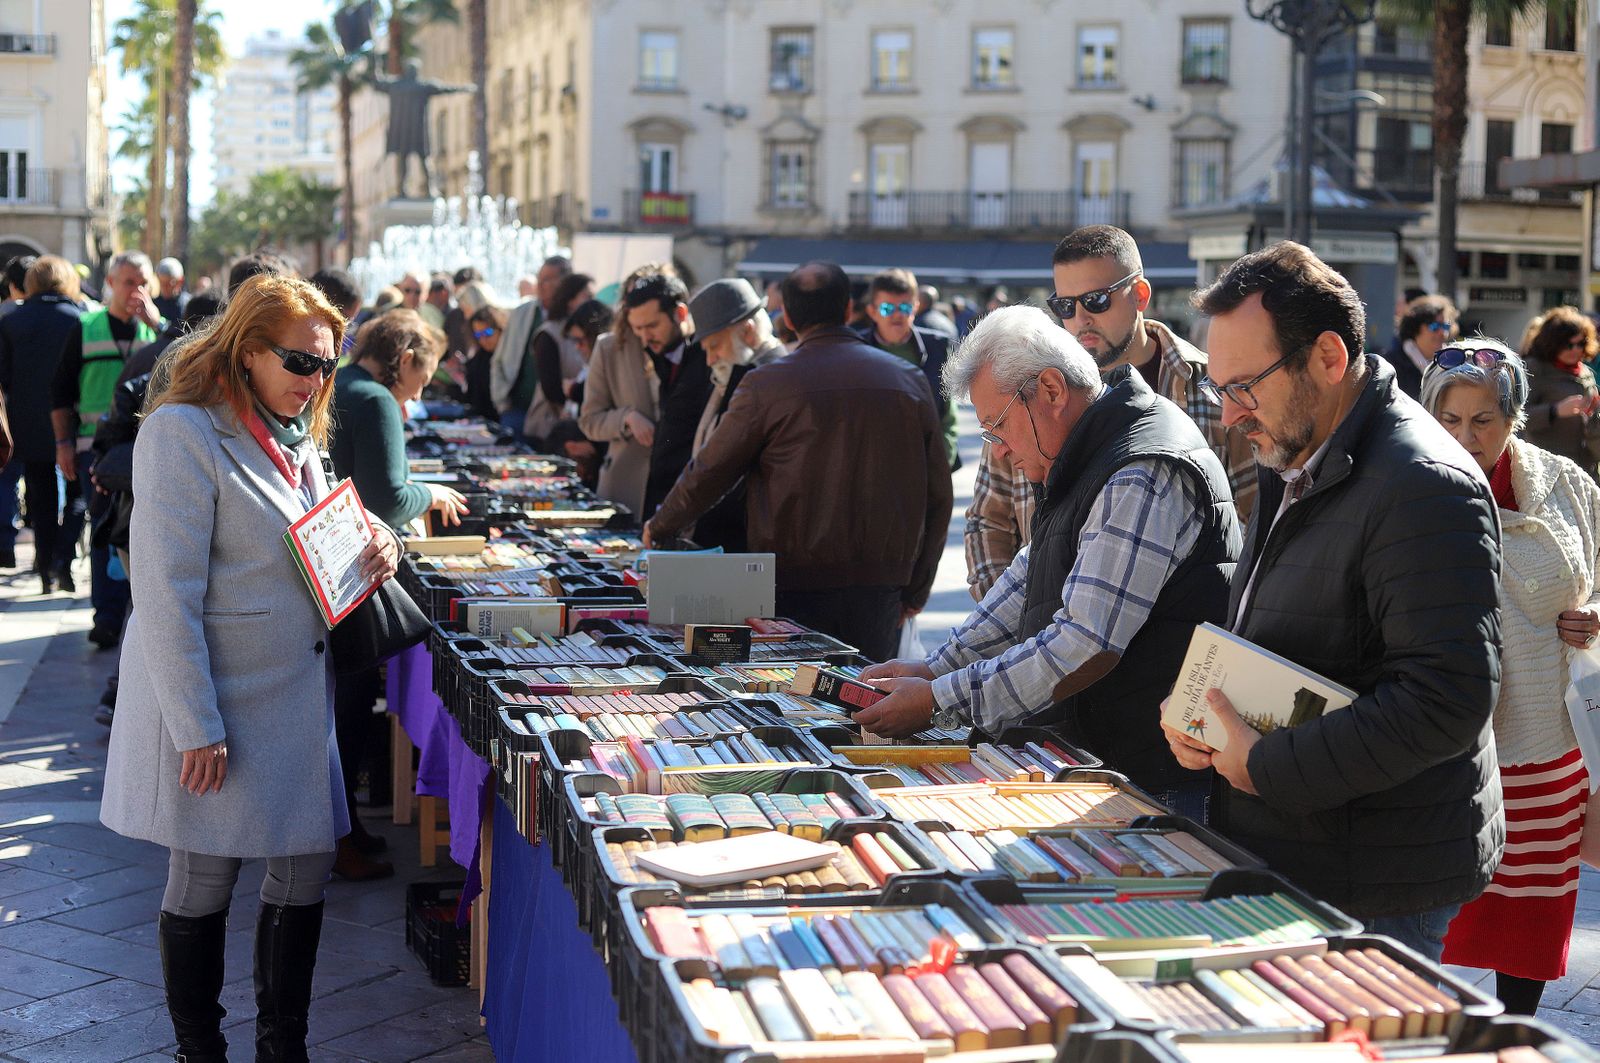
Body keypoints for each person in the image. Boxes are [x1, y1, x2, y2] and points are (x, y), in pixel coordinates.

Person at [1160, 242, 1503, 963]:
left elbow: (1446, 697)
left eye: (1245, 387)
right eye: (1220, 388)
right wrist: (1199, 708)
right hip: (1304, 848)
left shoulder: (1425, 481)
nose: (1229, 415)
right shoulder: (1294, 441)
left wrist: (1271, 765)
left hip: (1377, 878)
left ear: (1326, 357)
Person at [100, 273, 402, 1062]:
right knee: (204, 873)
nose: (316, 380)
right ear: (245, 347)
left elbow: (329, 534)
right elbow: (165, 594)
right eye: (301, 362)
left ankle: (283, 1046)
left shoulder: (297, 434)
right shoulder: (183, 433)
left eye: (327, 366)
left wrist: (383, 546)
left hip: (296, 691)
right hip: (219, 691)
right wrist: (195, 724)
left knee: (306, 867)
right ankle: (199, 1049)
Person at [852, 306, 1241, 812]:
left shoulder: (1138, 470)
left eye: (997, 427)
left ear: (1053, 390)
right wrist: (932, 670)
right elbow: (1026, 581)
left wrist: (939, 698)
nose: (998, 450)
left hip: (1154, 777)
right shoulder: (1092, 451)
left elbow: (1084, 642)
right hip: (1109, 761)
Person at [1415, 340, 1598, 1016]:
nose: (1467, 435)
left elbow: (1599, 568)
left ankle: (1516, 1034)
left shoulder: (1565, 485)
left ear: (1513, 416)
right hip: (1452, 740)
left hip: (1548, 739)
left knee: (1531, 914)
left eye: (1484, 418)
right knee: (1442, 910)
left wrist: (1593, 615)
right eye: (1451, 418)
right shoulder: (1413, 486)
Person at [643, 261, 952, 660]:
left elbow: (710, 471)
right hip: (881, 585)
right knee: (868, 708)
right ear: (848, 311)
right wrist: (916, 587)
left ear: (786, 317)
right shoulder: (908, 380)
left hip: (793, 583)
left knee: (799, 709)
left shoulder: (767, 384)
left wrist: (660, 525)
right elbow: (938, 494)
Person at [965, 225, 1258, 600]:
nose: (1080, 319)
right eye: (1065, 306)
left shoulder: (1212, 386)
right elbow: (988, 519)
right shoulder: (1033, 392)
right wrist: (1010, 623)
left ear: (1139, 294)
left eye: (1096, 300)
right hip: (1049, 634)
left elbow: (1252, 518)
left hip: (1180, 635)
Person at [329, 309, 468, 880]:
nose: (420, 391)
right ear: (406, 358)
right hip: (351, 569)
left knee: (341, 703)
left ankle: (344, 828)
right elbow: (387, 497)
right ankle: (341, 834)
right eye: (423, 376)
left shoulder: (340, 382)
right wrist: (430, 491)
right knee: (351, 704)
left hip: (328, 565)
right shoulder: (376, 399)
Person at [50, 250, 162, 640]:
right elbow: (61, 391)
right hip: (92, 450)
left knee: (138, 533)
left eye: (144, 282)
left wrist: (159, 325)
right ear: (111, 283)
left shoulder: (157, 332)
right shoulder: (87, 326)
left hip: (144, 453)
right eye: (130, 281)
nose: (137, 290)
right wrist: (63, 443)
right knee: (102, 528)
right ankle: (107, 617)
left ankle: (134, 616)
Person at [681, 278, 787, 551]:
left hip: (746, 543)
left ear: (748, 332)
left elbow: (722, 466)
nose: (710, 360)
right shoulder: (736, 370)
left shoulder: (767, 378)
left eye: (715, 346)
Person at [0, 256, 82, 586]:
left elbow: (3, 378)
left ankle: (46, 563)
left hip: (27, 422)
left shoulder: (11, 322)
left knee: (40, 495)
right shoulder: (80, 318)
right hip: (73, 420)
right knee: (76, 493)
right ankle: (62, 558)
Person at [578, 265, 669, 517]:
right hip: (625, 481)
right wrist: (627, 418)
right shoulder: (609, 347)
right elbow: (589, 420)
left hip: (671, 484)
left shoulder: (685, 345)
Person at [855, 268, 960, 471]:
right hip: (869, 468)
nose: (896, 315)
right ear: (872, 311)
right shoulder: (854, 348)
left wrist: (940, 463)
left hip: (925, 467)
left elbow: (948, 415)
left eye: (904, 307)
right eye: (887, 308)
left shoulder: (937, 347)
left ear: (915, 307)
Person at [630, 272, 713, 520]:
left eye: (652, 326)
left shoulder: (707, 359)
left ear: (680, 314)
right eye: (638, 329)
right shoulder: (661, 355)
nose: (645, 337)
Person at [493, 255, 571, 438]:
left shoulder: (572, 317)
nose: (541, 285)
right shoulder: (522, 312)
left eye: (548, 279)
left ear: (564, 283)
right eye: (540, 279)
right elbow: (498, 360)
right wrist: (502, 401)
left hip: (554, 415)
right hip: (516, 410)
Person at [1520, 306, 1600, 479]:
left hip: (1585, 469)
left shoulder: (1585, 372)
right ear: (1553, 343)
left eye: (1581, 343)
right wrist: (1555, 410)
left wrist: (1594, 413)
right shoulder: (1534, 368)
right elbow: (1516, 418)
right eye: (1568, 344)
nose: (1575, 350)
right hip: (1546, 469)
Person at [524, 271, 593, 447]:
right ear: (570, 301)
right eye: (586, 296)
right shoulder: (549, 334)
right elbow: (550, 385)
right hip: (549, 425)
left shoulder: (591, 332)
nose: (592, 301)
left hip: (578, 424)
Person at [1382, 294, 1458, 400]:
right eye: (1435, 326)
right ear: (1415, 328)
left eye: (1445, 326)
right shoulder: (1391, 366)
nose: (1443, 333)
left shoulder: (1453, 364)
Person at [465, 305, 508, 421]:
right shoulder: (478, 360)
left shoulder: (511, 356)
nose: (483, 340)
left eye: (488, 333)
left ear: (500, 328)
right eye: (478, 335)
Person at [154, 257, 189, 322]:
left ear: (180, 281)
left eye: (169, 283)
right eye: (162, 283)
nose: (165, 287)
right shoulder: (153, 306)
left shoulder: (188, 305)